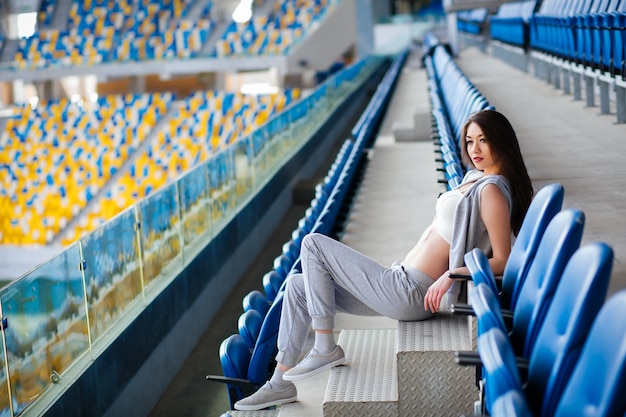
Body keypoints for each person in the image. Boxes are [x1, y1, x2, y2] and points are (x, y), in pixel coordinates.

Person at [234, 109, 534, 411]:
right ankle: (279, 383)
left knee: (313, 245)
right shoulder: (477, 178)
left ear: (501, 141)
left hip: (410, 291)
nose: (475, 149)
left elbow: (504, 260)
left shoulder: (492, 191)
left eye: (483, 140)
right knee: (299, 287)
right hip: (400, 281)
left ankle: (325, 347)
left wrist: (452, 274)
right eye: (470, 141)